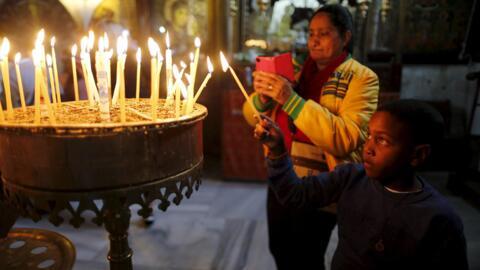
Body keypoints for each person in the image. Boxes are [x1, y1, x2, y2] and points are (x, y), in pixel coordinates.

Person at [253, 99, 469, 270]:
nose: (368, 148)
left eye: (382, 140)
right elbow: (295, 195)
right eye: (369, 137)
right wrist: (278, 151)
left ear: (417, 155)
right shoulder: (351, 178)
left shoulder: (439, 220)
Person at [243, 4, 379, 269]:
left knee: (305, 254)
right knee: (279, 246)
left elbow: (347, 137)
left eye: (325, 33)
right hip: (282, 171)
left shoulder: (362, 78)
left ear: (345, 37)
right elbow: (252, 114)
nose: (314, 39)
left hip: (322, 182)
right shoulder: (293, 68)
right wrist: (261, 99)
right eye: (312, 32)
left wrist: (290, 100)